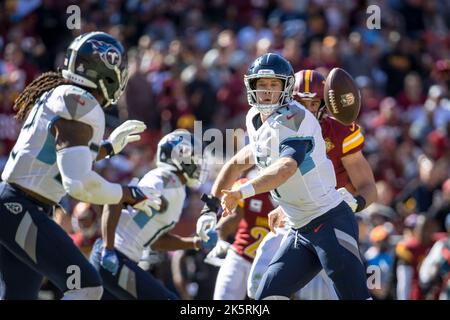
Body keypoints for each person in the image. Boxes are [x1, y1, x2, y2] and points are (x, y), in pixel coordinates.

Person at [196, 53, 371, 300]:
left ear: (286, 87)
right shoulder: (255, 118)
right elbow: (235, 164)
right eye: (262, 85)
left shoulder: (295, 119)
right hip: (298, 228)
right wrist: (209, 208)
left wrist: (242, 192)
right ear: (251, 87)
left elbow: (286, 167)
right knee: (266, 297)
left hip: (330, 221)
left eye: (274, 84)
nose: (267, 91)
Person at [0, 32, 161, 300]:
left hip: (14, 204)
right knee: (86, 286)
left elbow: (62, 154)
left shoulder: (62, 95)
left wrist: (108, 148)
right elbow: (78, 184)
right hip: (22, 207)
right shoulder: (80, 103)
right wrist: (127, 194)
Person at [247, 69, 377, 299]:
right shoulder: (279, 126)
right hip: (296, 220)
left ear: (324, 105)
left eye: (313, 103)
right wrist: (284, 204)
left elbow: (368, 186)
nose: (306, 109)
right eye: (300, 102)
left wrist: (355, 203)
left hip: (331, 218)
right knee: (261, 289)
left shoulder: (338, 132)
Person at [89, 129, 217, 299]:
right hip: (113, 258)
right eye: (194, 157)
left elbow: (156, 241)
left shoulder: (176, 188)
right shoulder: (164, 181)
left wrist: (195, 243)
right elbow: (115, 199)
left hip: (123, 259)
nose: (198, 164)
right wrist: (108, 248)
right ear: (178, 156)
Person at [207, 168, 274, 300]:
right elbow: (228, 220)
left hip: (269, 265)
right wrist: (221, 240)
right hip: (240, 257)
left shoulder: (293, 194)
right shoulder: (249, 188)